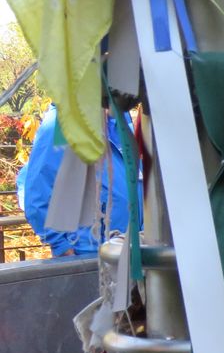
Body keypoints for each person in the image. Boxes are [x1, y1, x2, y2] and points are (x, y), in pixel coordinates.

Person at [17, 105, 137, 257]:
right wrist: (62, 247)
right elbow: (36, 193)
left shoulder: (118, 118)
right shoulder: (63, 123)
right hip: (90, 255)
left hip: (127, 251)